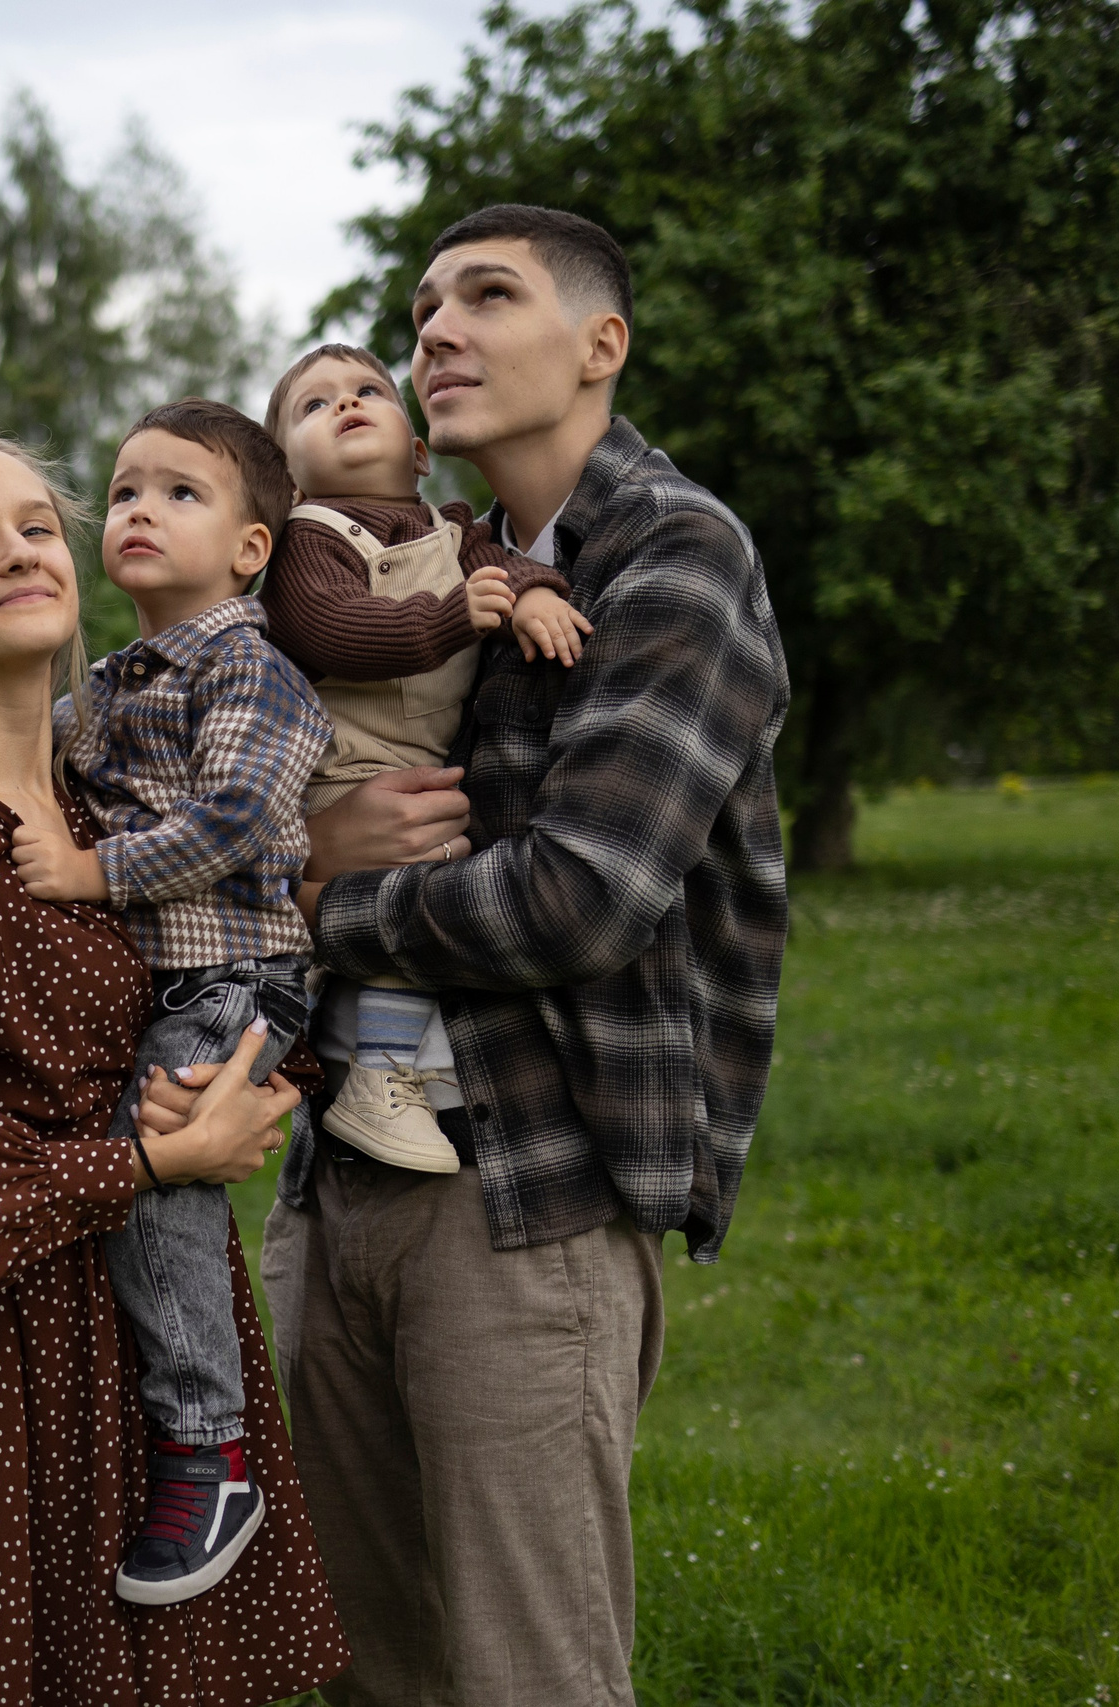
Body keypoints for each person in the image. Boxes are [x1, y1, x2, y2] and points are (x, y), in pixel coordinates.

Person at [143, 205, 791, 1704]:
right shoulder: (417, 569)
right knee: (379, 1669)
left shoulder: (674, 560)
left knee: (529, 1675)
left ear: (600, 344)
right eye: (423, 304)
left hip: (528, 1197)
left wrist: (299, 893)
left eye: (487, 297)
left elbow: (575, 898)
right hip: (333, 1186)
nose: (433, 330)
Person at [0, 421, 349, 1706]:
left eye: (38, 524)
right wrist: (153, 1158)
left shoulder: (111, 810)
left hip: (178, 1329)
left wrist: (244, 1089)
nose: (21, 551)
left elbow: (236, 971)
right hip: (45, 1370)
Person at [6, 399, 329, 1605]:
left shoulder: (254, 668)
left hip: (237, 977)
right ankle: (186, 1429)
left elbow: (236, 818)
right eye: (125, 488)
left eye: (180, 492)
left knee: (160, 1171)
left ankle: (210, 1446)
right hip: (170, 983)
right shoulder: (107, 680)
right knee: (135, 1175)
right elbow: (23, 753)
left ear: (251, 549)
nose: (139, 508)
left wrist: (93, 873)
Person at [259, 343, 586, 1173]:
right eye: (314, 405)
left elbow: (504, 568)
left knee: (418, 898)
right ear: (289, 477)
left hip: (416, 767)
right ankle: (313, 1053)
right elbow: (329, 629)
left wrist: (537, 594)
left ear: (416, 449)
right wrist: (451, 619)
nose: (347, 404)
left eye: (369, 389)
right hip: (343, 762)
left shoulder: (454, 528)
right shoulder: (309, 538)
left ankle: (381, 1068)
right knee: (388, 895)